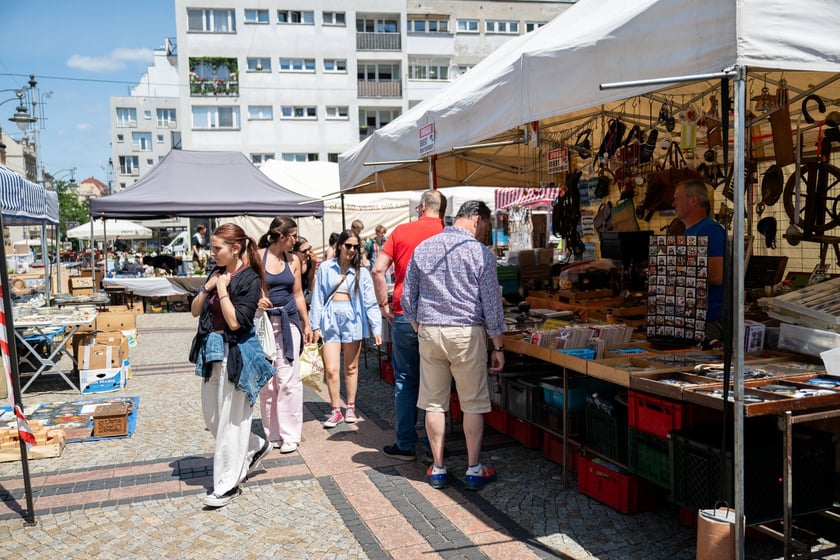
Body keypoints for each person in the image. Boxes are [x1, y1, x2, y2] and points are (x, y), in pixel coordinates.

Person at [402, 201, 505, 490]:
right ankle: (474, 469)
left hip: (431, 332)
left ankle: (437, 467)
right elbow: (491, 304)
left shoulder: (424, 248)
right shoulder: (479, 252)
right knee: (472, 402)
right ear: (476, 220)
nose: (485, 232)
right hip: (466, 333)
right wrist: (498, 346)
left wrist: (419, 326)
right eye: (485, 226)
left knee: (434, 402)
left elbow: (408, 298)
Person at [189, 223, 275, 508]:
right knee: (213, 418)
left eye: (217, 248)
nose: (212, 253)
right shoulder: (215, 273)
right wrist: (207, 287)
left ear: (235, 248)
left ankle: (228, 484)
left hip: (237, 354)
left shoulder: (249, 279)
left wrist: (223, 291)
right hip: (212, 351)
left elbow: (237, 321)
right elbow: (195, 310)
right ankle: (255, 445)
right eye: (211, 248)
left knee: (229, 422)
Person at [372, 190, 447, 460]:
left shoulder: (401, 231)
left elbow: (378, 270)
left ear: (422, 207)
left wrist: (383, 305)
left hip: (404, 313)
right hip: (440, 317)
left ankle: (405, 443)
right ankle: (433, 446)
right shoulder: (448, 233)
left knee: (405, 379)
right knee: (436, 383)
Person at [310, 229, 382, 428]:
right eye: (348, 245)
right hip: (330, 318)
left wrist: (376, 327)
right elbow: (317, 297)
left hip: (353, 319)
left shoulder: (362, 272)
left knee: (351, 367)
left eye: (355, 247)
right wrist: (315, 325)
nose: (351, 250)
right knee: (331, 369)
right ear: (340, 245)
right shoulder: (325, 268)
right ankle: (335, 410)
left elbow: (370, 301)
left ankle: (350, 406)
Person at [257, 217, 312, 454]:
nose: (296, 240)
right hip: (264, 325)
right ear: (282, 236)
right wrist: (256, 300)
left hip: (289, 321)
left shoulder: (294, 260)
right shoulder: (258, 257)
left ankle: (291, 434)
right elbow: (248, 287)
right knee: (268, 383)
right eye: (294, 236)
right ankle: (273, 433)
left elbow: (298, 294)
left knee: (289, 379)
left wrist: (307, 323)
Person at [673, 178, 725, 341]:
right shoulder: (689, 233)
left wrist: (675, 273)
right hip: (690, 318)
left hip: (707, 322)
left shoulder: (710, 230)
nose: (673, 204)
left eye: (677, 198)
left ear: (693, 200)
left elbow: (717, 276)